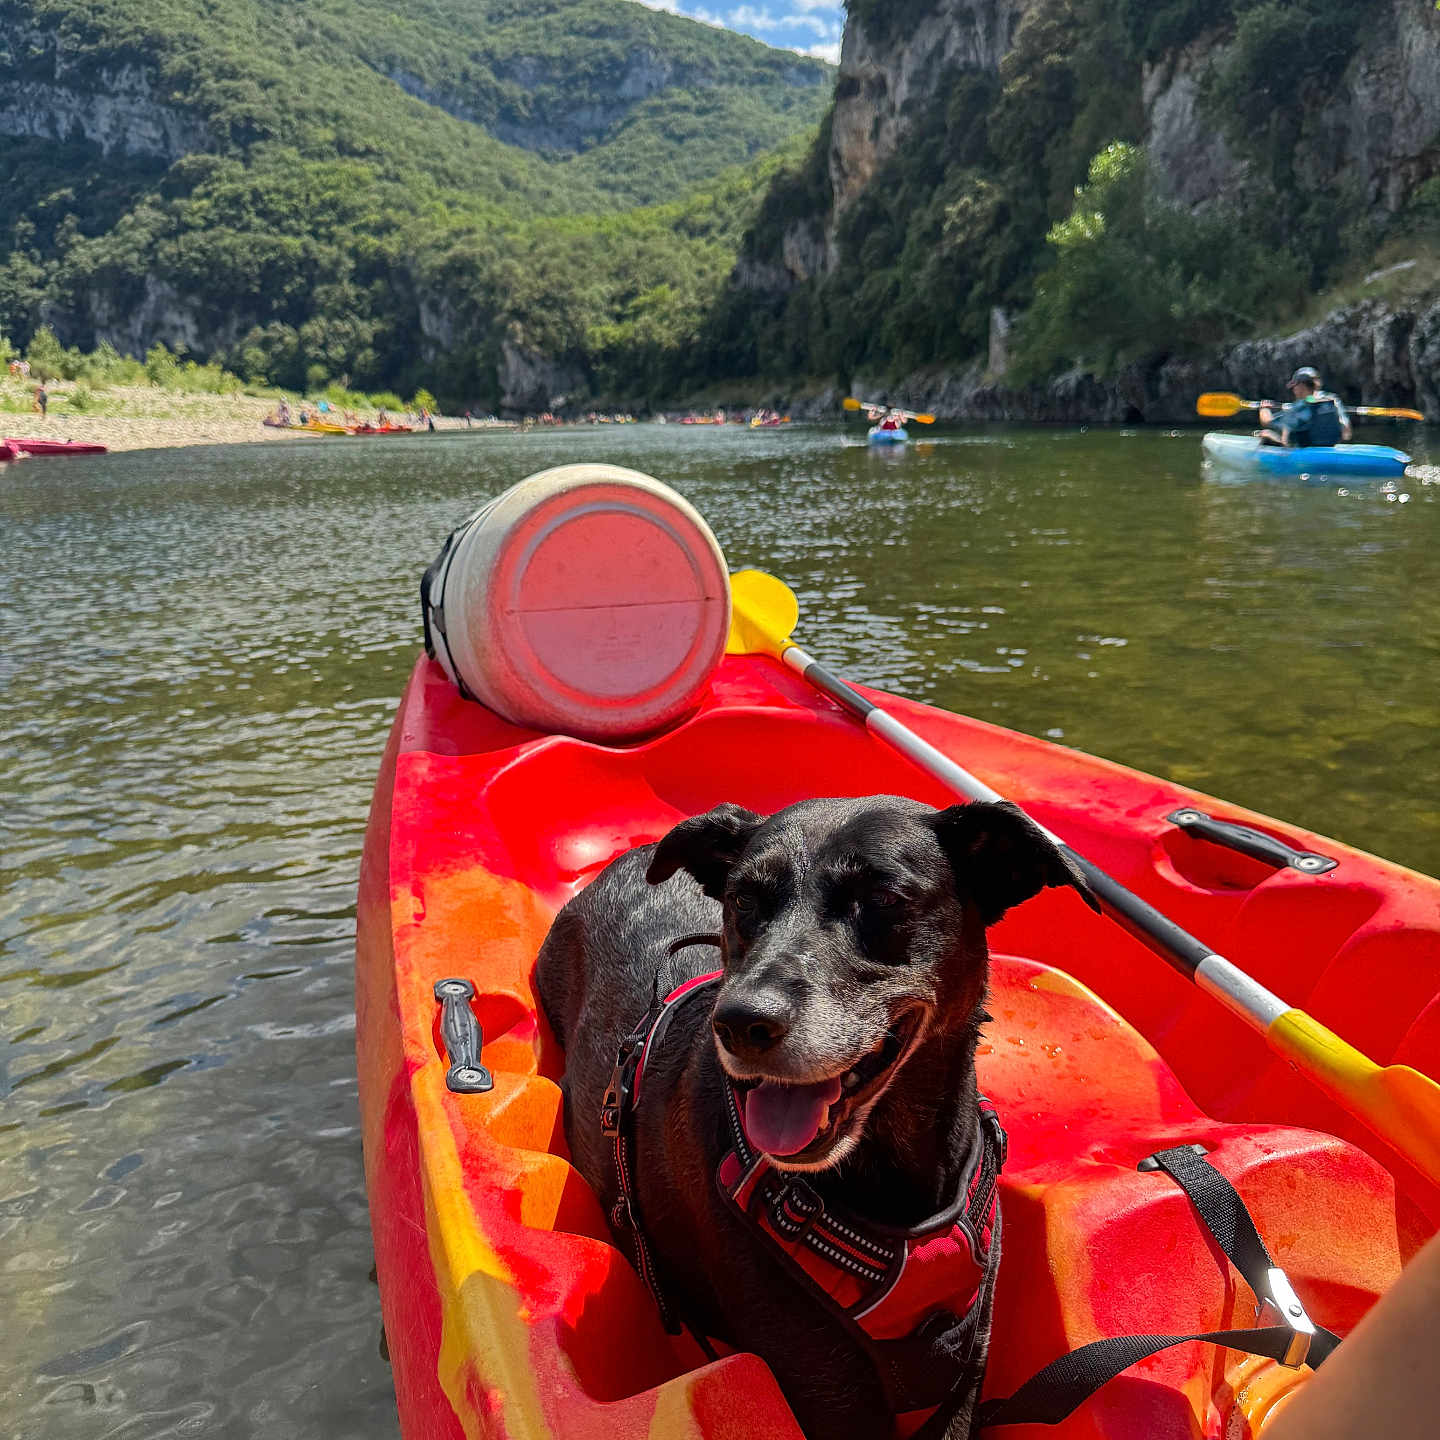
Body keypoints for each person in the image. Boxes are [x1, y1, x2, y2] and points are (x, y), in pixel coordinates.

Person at [1258, 368, 1347, 448]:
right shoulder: (1333, 400)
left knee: (1266, 433)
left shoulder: (1300, 405)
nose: (1293, 390)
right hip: (1331, 447)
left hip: (1306, 451)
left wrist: (1264, 408)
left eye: (1295, 386)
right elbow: (1347, 433)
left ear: (1301, 385)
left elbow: (1267, 422)